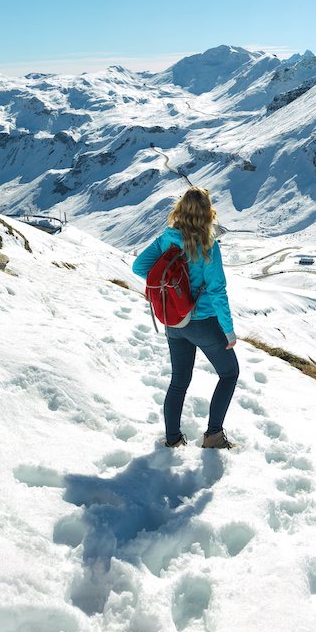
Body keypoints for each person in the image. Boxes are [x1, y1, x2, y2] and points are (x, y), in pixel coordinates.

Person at [133, 187, 238, 449]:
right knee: (229, 373)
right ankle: (213, 436)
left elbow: (139, 267)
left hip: (173, 320)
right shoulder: (207, 245)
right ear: (207, 213)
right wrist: (228, 330)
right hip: (202, 322)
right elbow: (216, 290)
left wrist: (168, 287)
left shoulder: (166, 239)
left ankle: (172, 439)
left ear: (180, 209)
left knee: (179, 380)